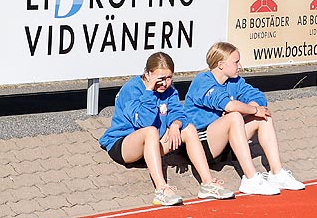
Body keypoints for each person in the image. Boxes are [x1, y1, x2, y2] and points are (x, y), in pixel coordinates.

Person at [98, 51, 235, 207]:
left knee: (188, 129)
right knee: (151, 131)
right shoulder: (132, 89)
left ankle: (208, 183)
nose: (164, 83)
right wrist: (149, 90)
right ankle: (161, 189)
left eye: (169, 78)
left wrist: (175, 125)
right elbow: (143, 122)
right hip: (125, 144)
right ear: (148, 74)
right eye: (160, 79)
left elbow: (179, 112)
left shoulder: (169, 90)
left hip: (154, 145)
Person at [182, 42, 305, 196]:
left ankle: (276, 173)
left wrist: (255, 109)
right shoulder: (203, 81)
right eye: (236, 62)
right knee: (235, 116)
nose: (239, 66)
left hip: (227, 141)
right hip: (202, 144)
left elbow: (258, 96)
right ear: (221, 64)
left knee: (263, 118)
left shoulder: (235, 81)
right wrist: (253, 110)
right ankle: (250, 178)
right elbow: (229, 105)